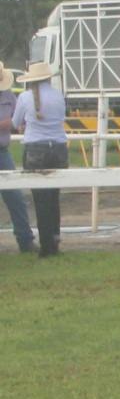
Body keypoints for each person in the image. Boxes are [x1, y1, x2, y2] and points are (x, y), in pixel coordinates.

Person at [9, 59, 70, 257]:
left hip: (36, 149)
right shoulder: (58, 96)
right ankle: (54, 239)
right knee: (53, 198)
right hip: (59, 148)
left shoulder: (25, 97)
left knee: (41, 200)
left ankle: (46, 246)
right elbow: (61, 119)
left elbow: (15, 123)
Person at [0, 68, 34, 254]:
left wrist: (19, 123)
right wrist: (8, 123)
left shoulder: (8, 95)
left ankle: (25, 240)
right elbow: (12, 121)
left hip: (2, 152)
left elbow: (18, 118)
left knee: (16, 198)